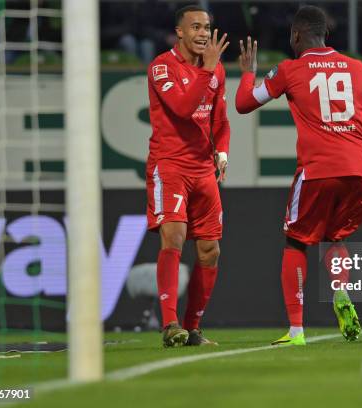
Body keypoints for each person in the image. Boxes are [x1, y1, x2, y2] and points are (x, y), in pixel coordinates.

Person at [235, 5, 362, 345]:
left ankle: (297, 330)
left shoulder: (290, 69)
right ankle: (341, 292)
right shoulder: (358, 68)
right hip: (359, 170)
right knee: (336, 237)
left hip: (319, 169)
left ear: (296, 35)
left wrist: (248, 72)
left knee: (297, 240)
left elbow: (244, 103)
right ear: (326, 34)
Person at [145, 5, 230, 348]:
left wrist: (221, 151)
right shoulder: (161, 66)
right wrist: (207, 71)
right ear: (179, 31)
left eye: (206, 27)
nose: (203, 34)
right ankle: (169, 324)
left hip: (203, 170)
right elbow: (182, 107)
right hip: (170, 165)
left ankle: (192, 328)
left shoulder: (216, 71)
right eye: (195, 27)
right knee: (175, 237)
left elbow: (220, 120)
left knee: (210, 250)